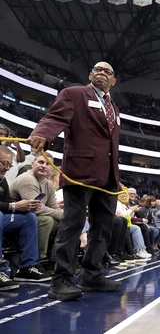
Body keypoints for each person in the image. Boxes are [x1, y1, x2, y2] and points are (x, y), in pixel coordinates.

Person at [27, 61, 123, 301]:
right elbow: (54, 117)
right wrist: (43, 134)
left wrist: (117, 178)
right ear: (90, 74)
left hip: (108, 177)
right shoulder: (74, 94)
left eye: (107, 72)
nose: (101, 73)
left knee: (103, 228)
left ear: (113, 81)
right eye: (97, 70)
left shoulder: (115, 108)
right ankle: (61, 280)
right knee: (72, 226)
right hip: (80, 172)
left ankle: (92, 275)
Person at [1, 145, 52, 291]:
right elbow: (9, 205)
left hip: (3, 218)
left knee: (29, 217)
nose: (7, 168)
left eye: (9, 165)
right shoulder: (26, 179)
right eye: (4, 164)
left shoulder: (3, 181)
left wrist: (20, 206)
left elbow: (8, 201)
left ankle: (27, 268)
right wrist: (14, 206)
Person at [10, 153, 63, 260]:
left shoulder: (48, 184)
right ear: (33, 164)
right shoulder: (27, 179)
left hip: (30, 216)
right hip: (15, 217)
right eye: (41, 162)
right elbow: (37, 209)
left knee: (63, 223)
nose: (44, 166)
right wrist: (64, 215)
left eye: (48, 164)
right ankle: (38, 259)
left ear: (52, 169)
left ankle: (55, 258)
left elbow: (53, 206)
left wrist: (65, 217)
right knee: (46, 220)